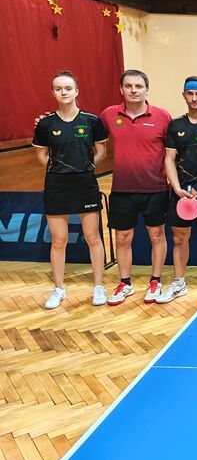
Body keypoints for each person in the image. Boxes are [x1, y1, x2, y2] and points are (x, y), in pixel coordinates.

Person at [33, 71, 109, 309]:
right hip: (56, 185)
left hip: (85, 184)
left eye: (68, 88)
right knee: (59, 240)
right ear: (53, 92)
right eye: (58, 89)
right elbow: (41, 155)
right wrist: (59, 170)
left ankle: (99, 286)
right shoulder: (46, 124)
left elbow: (101, 151)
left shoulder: (92, 121)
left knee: (93, 237)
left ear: (76, 91)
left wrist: (84, 168)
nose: (63, 92)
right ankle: (59, 288)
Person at [100, 70, 172, 305]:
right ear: (121, 89)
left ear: (147, 89)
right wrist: (50, 121)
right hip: (122, 189)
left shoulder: (162, 116)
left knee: (157, 235)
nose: (134, 90)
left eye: (139, 86)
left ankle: (156, 280)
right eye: (129, 86)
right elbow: (86, 132)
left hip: (156, 187)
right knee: (122, 238)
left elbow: (172, 153)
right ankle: (125, 283)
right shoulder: (109, 115)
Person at [156, 76, 197, 303]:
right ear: (184, 95)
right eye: (190, 93)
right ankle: (179, 283)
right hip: (179, 193)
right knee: (179, 238)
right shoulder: (175, 126)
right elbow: (169, 159)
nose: (194, 98)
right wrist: (176, 187)